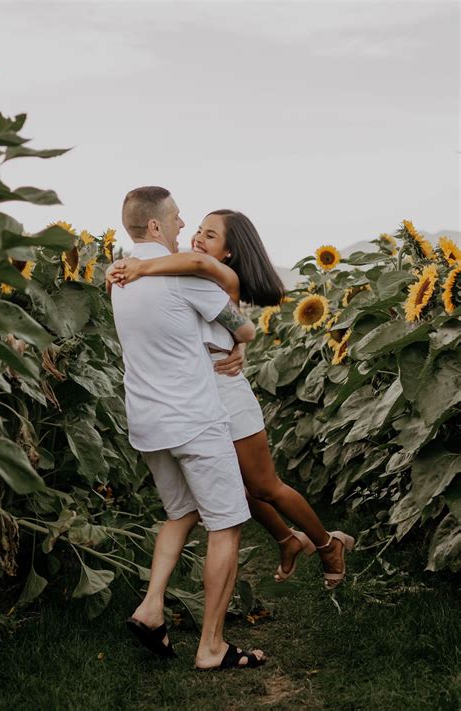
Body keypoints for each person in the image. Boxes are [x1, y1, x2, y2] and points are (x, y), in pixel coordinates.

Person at [108, 209, 355, 590]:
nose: (198, 240)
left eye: (210, 236)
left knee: (263, 485)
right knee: (235, 487)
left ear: (228, 253)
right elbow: (227, 326)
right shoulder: (186, 276)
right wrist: (239, 342)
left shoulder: (219, 276)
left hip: (224, 391)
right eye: (199, 232)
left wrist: (139, 266)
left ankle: (326, 545)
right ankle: (287, 539)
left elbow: (197, 269)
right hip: (195, 392)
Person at [111, 187, 266, 671]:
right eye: (177, 220)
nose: (184, 229)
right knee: (226, 524)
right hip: (194, 420)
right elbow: (243, 328)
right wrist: (241, 341)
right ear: (155, 226)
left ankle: (151, 607)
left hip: (148, 423)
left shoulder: (116, 276)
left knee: (181, 513)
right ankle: (212, 647)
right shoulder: (182, 278)